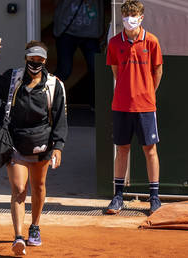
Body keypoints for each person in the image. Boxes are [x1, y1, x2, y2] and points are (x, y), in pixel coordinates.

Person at [0, 37, 68, 256]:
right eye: (31, 58)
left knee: (38, 187)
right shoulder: (13, 78)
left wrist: (58, 147)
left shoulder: (55, 85)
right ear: (25, 58)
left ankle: (34, 226)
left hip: (42, 144)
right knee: (19, 189)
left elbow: (60, 118)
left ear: (45, 61)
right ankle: (18, 237)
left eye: (39, 59)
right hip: (15, 143)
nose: (35, 63)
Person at [105, 0, 163, 214]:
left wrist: (147, 93)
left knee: (150, 150)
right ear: (122, 17)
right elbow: (115, 71)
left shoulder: (152, 41)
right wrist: (127, 90)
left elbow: (157, 72)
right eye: (126, 15)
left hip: (146, 106)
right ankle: (118, 196)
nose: (130, 18)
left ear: (141, 17)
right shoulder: (113, 43)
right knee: (122, 149)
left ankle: (154, 198)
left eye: (134, 14)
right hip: (121, 105)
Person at [53, 0, 104, 109]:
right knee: (64, 70)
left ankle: (96, 105)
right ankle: (47, 101)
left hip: (91, 33)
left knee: (96, 70)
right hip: (66, 31)